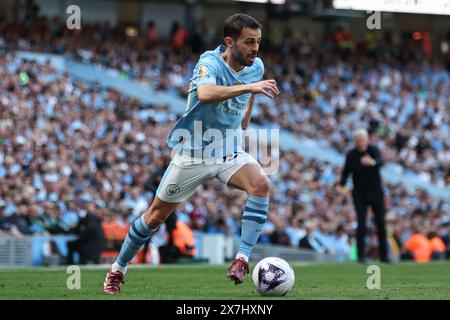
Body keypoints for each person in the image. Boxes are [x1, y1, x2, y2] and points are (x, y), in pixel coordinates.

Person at [103, 13, 280, 294]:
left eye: (258, 42)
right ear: (229, 42)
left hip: (228, 150)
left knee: (261, 183)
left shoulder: (255, 66)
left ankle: (242, 258)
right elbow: (207, 94)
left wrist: (249, 103)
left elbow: (245, 112)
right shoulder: (208, 62)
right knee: (154, 218)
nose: (255, 48)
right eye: (249, 42)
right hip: (193, 153)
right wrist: (249, 88)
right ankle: (117, 269)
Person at [338, 129, 389, 263]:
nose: (361, 143)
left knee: (381, 223)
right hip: (359, 194)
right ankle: (361, 256)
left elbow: (381, 162)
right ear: (355, 142)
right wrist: (341, 185)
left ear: (367, 140)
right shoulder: (351, 155)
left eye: (363, 140)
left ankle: (384, 256)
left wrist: (372, 162)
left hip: (376, 192)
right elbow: (346, 172)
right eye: (358, 141)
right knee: (361, 224)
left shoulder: (373, 150)